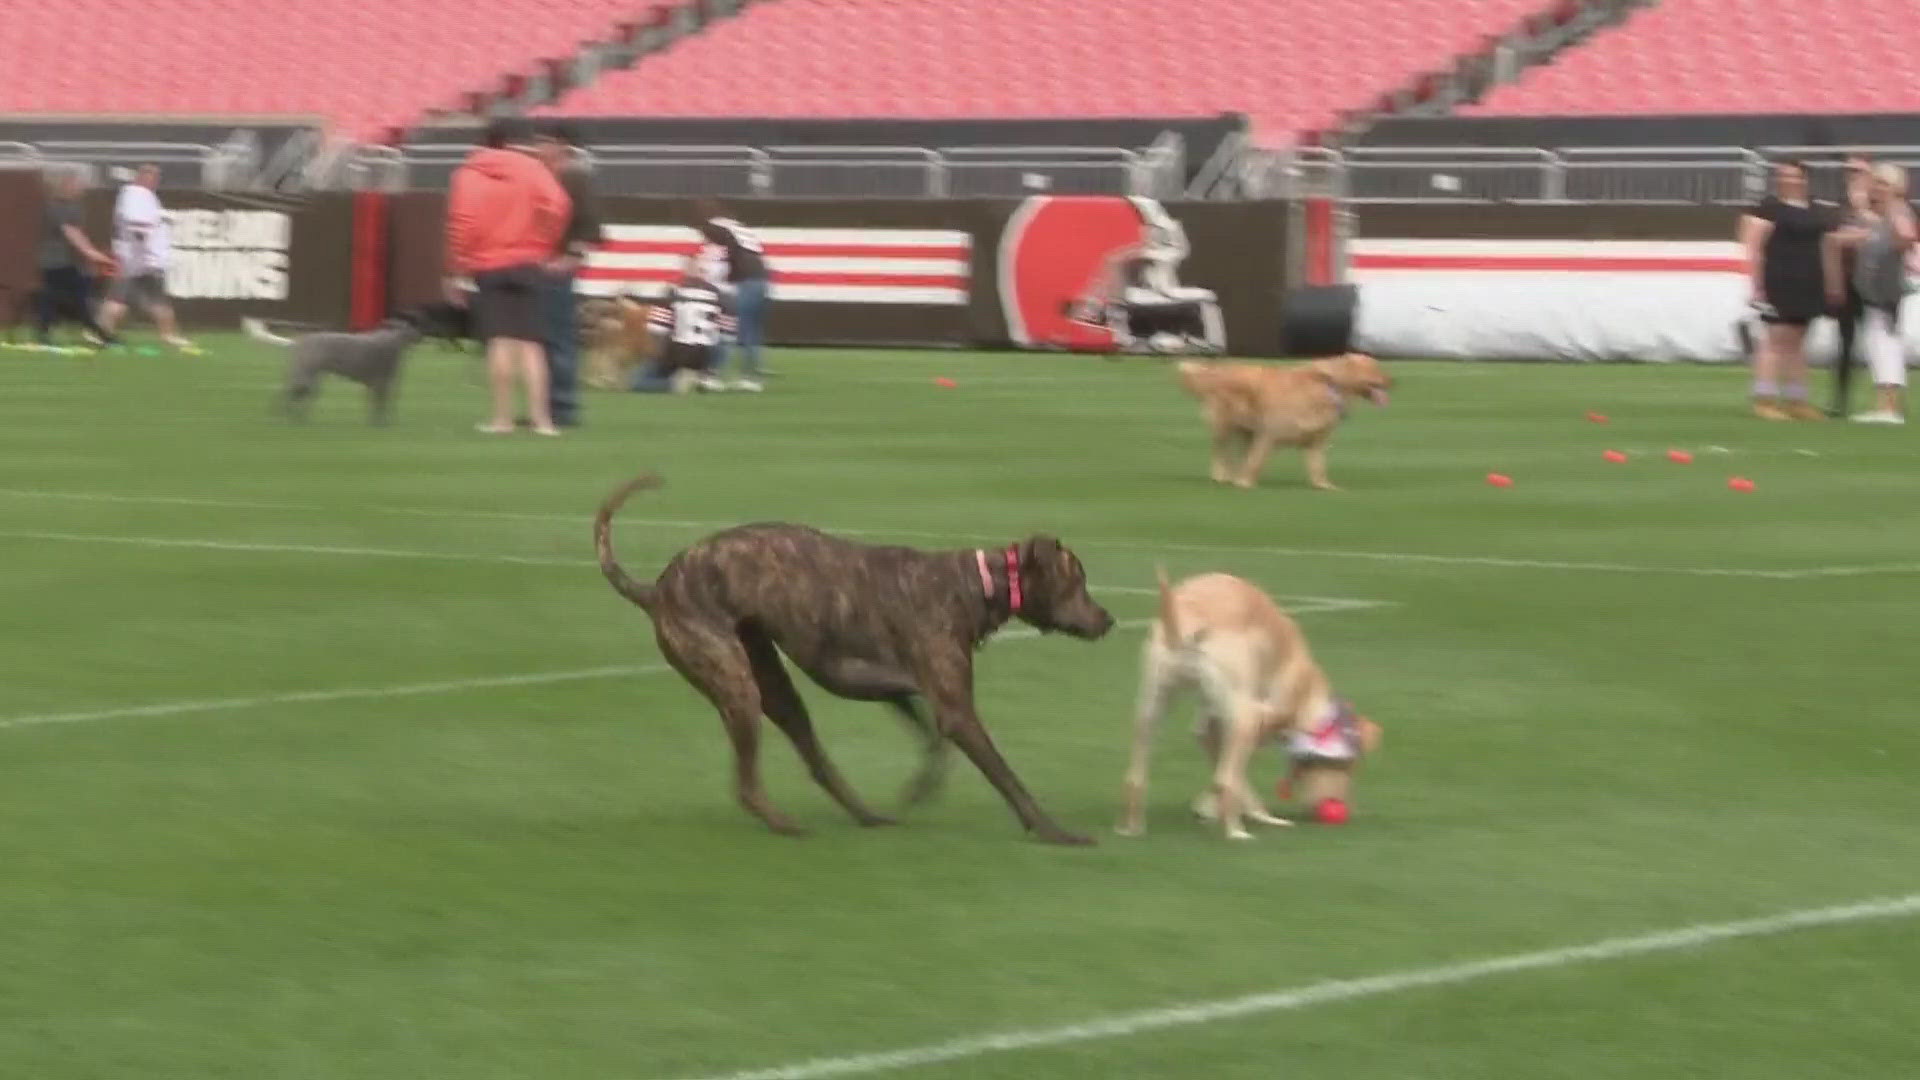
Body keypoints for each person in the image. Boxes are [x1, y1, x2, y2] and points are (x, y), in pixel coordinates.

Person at [445, 116, 571, 436]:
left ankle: (502, 419)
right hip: (528, 261)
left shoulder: (469, 172)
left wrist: (459, 266)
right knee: (531, 343)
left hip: (488, 264)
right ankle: (542, 420)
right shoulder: (534, 169)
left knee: (500, 341)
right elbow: (558, 206)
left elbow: (461, 222)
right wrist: (545, 243)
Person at [1739, 158, 1834, 421]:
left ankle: (1797, 400)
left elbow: (1826, 246)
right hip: (1779, 281)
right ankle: (1765, 398)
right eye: (1784, 176)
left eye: (1794, 176)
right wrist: (1757, 286)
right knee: (1775, 340)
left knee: (1797, 343)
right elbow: (1754, 247)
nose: (1789, 181)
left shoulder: (1815, 209)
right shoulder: (1769, 208)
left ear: (1805, 179)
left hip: (1808, 282)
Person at [1825, 162, 1914, 424]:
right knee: (1880, 344)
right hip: (1876, 292)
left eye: (1883, 183)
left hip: (1886, 292)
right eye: (1876, 182)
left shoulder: (1897, 212)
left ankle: (1888, 406)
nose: (1877, 188)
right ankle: (1886, 403)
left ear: (1896, 187)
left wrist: (1899, 245)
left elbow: (1906, 237)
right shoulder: (1882, 214)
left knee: (1885, 344)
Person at [531, 123, 602, 428]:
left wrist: (570, 258)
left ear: (560, 145)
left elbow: (588, 222)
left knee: (557, 338)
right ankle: (547, 405)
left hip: (556, 267)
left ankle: (562, 405)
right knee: (545, 340)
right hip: (542, 263)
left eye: (543, 142)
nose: (537, 148)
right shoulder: (551, 174)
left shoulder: (573, 175)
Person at [96, 163, 193, 350]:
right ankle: (102, 333)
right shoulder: (133, 194)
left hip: (149, 261)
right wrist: (145, 248)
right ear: (141, 177)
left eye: (156, 177)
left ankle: (168, 335)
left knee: (158, 300)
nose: (155, 181)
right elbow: (135, 225)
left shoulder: (146, 197)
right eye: (151, 177)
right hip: (135, 259)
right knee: (118, 298)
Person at [33, 166, 118, 348]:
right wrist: (94, 255)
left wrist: (91, 255)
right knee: (67, 298)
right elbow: (72, 234)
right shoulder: (56, 207)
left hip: (68, 262)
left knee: (61, 299)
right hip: (55, 262)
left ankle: (45, 332)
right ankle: (98, 334)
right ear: (65, 185)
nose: (81, 187)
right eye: (76, 183)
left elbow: (79, 234)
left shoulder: (74, 207)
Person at [693, 198, 770, 391]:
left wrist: (711, 283)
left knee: (725, 329)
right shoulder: (736, 226)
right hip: (761, 279)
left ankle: (711, 376)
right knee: (749, 331)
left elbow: (717, 257)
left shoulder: (713, 227)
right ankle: (751, 378)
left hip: (743, 281)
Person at [631, 256, 733, 393]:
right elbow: (728, 332)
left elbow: (657, 329)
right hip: (707, 354)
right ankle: (708, 376)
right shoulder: (719, 295)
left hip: (678, 351)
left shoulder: (673, 292)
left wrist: (658, 357)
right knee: (723, 340)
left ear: (686, 271)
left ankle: (674, 383)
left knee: (639, 383)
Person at [1828, 154, 1874, 415]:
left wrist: (1863, 213)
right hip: (1848, 281)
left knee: (1883, 340)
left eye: (1858, 171)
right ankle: (1840, 400)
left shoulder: (1881, 205)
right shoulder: (1839, 208)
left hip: (1877, 284)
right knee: (1845, 343)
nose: (1852, 175)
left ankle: (1887, 400)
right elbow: (1832, 242)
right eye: (1849, 170)